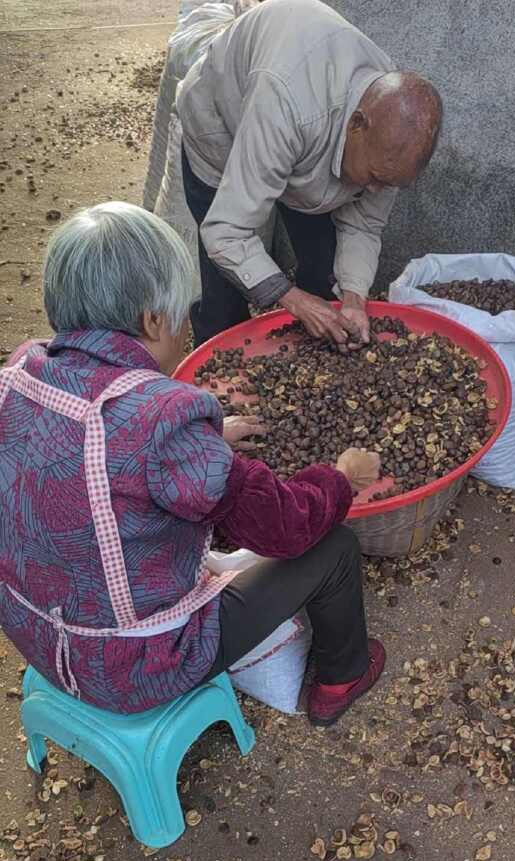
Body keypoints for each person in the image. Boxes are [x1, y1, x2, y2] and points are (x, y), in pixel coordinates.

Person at [0, 203, 384, 727]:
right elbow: (288, 527)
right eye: (183, 314)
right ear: (153, 320)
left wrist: (206, 439)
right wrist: (341, 477)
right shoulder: (165, 419)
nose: (184, 327)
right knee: (333, 546)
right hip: (135, 667)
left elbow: (85, 450)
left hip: (36, 634)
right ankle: (343, 678)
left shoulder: (18, 372)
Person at [178, 0, 442, 346]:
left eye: (390, 183)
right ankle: (208, 387)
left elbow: (363, 224)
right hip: (221, 129)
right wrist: (293, 299)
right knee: (225, 295)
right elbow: (225, 233)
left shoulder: (389, 128)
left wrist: (354, 299)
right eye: (375, 176)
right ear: (358, 125)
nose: (377, 189)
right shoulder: (286, 104)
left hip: (303, 139)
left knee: (325, 271)